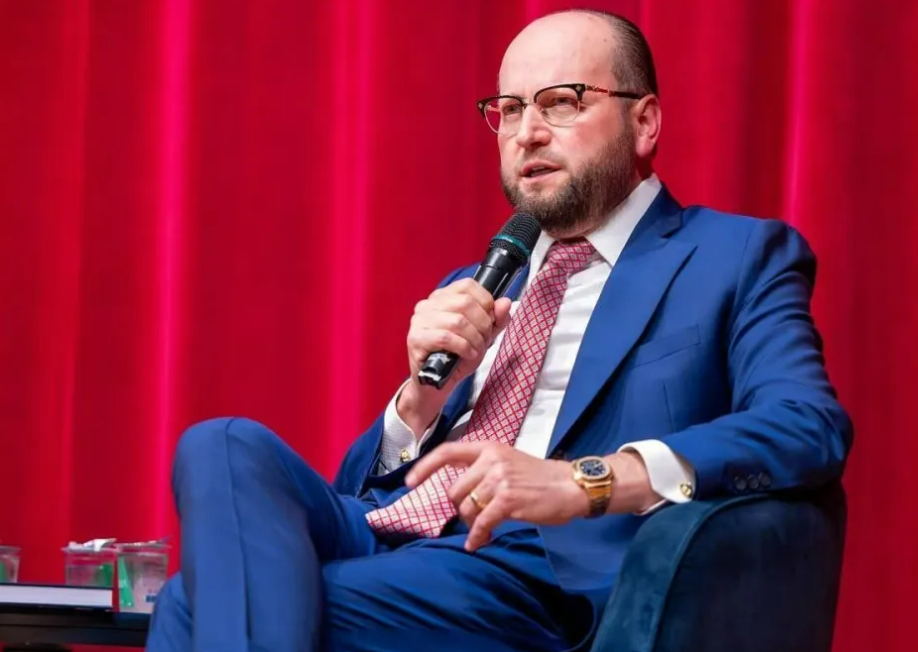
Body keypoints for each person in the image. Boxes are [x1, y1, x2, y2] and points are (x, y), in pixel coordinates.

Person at [146, 8, 852, 652]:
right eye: (509, 110)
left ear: (644, 122)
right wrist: (418, 403)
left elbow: (807, 424)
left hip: (536, 571)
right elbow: (361, 489)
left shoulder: (733, 256)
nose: (527, 133)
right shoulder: (485, 281)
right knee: (222, 444)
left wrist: (584, 481)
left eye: (561, 102)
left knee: (188, 604)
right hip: (394, 538)